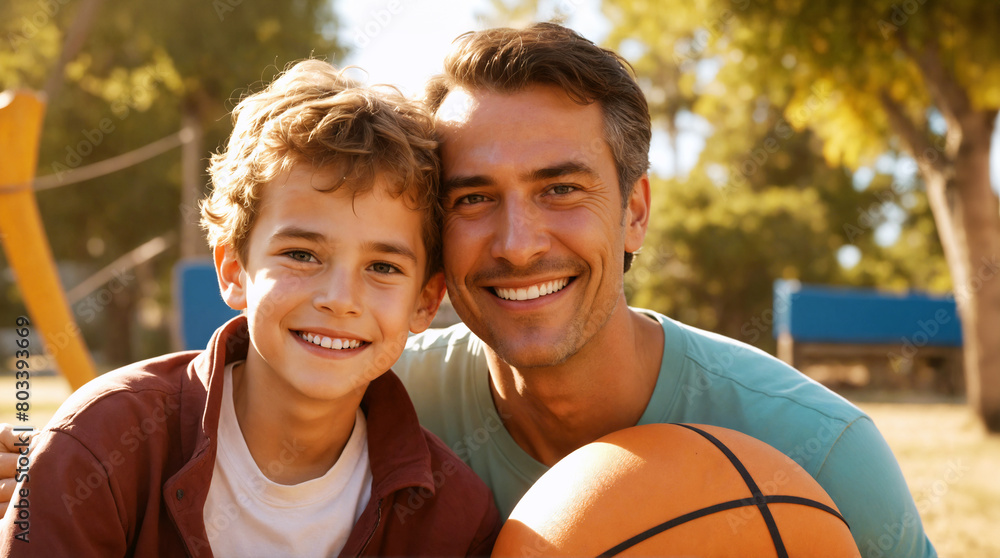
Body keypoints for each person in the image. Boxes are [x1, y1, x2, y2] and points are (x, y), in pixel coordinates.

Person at [390, 23, 936, 558]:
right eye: (473, 199)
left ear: (634, 212)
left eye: (560, 189)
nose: (518, 246)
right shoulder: (377, 405)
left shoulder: (819, 452)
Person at [0, 59, 499, 557]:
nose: (340, 299)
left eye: (383, 267)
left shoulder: (454, 519)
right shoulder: (100, 449)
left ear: (426, 302)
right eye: (302, 255)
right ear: (234, 270)